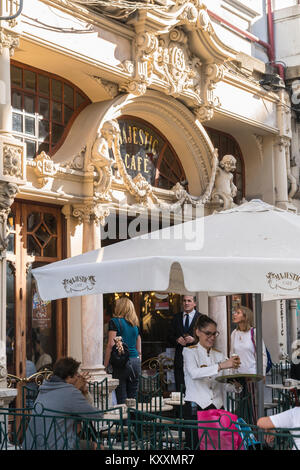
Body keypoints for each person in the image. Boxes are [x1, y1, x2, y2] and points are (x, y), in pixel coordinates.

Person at [183, 315, 240, 449]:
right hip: (197, 408)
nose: (212, 337)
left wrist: (237, 386)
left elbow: (224, 383)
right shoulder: (189, 352)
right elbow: (194, 373)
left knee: (219, 446)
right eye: (208, 333)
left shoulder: (219, 354)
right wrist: (221, 366)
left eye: (214, 334)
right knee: (196, 446)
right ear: (198, 332)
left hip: (217, 408)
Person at [24, 357, 102, 450]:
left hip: (33, 445)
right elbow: (96, 415)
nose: (79, 376)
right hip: (58, 445)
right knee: (98, 447)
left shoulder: (44, 388)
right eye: (76, 374)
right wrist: (77, 390)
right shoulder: (70, 392)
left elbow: (69, 405)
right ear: (69, 377)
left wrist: (83, 391)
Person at [230, 305, 267, 424]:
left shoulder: (254, 332)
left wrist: (263, 373)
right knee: (241, 410)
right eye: (235, 312)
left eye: (238, 312)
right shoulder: (234, 333)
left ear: (246, 317)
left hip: (252, 376)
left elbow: (262, 354)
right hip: (238, 377)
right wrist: (231, 374)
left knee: (254, 409)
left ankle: (257, 439)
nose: (234, 314)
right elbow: (231, 353)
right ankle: (244, 439)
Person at [104, 297, 141, 404]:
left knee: (122, 398)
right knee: (133, 399)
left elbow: (111, 345)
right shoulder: (135, 324)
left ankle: (125, 421)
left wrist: (105, 366)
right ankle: (134, 420)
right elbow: (139, 349)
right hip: (135, 361)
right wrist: (137, 361)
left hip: (122, 362)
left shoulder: (114, 322)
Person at [168, 295, 202, 393]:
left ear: (194, 303)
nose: (186, 303)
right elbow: (168, 337)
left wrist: (194, 340)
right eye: (184, 301)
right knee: (180, 390)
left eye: (189, 301)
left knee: (196, 390)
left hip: (196, 359)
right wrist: (176, 339)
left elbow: (207, 338)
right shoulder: (176, 318)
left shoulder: (201, 318)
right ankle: (182, 409)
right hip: (180, 359)